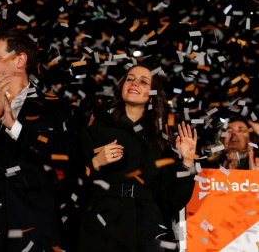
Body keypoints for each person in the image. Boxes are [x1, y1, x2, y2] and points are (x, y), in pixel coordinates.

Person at [78, 63, 197, 252]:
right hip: (102, 222)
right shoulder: (96, 127)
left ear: (152, 96)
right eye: (130, 79)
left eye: (143, 81)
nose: (134, 83)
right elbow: (71, 183)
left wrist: (187, 161)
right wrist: (96, 163)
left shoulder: (162, 141)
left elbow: (173, 202)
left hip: (146, 226)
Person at [0, 29, 77, 251]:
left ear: (20, 60)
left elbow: (66, 156)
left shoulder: (56, 107)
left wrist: (14, 126)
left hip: (35, 231)